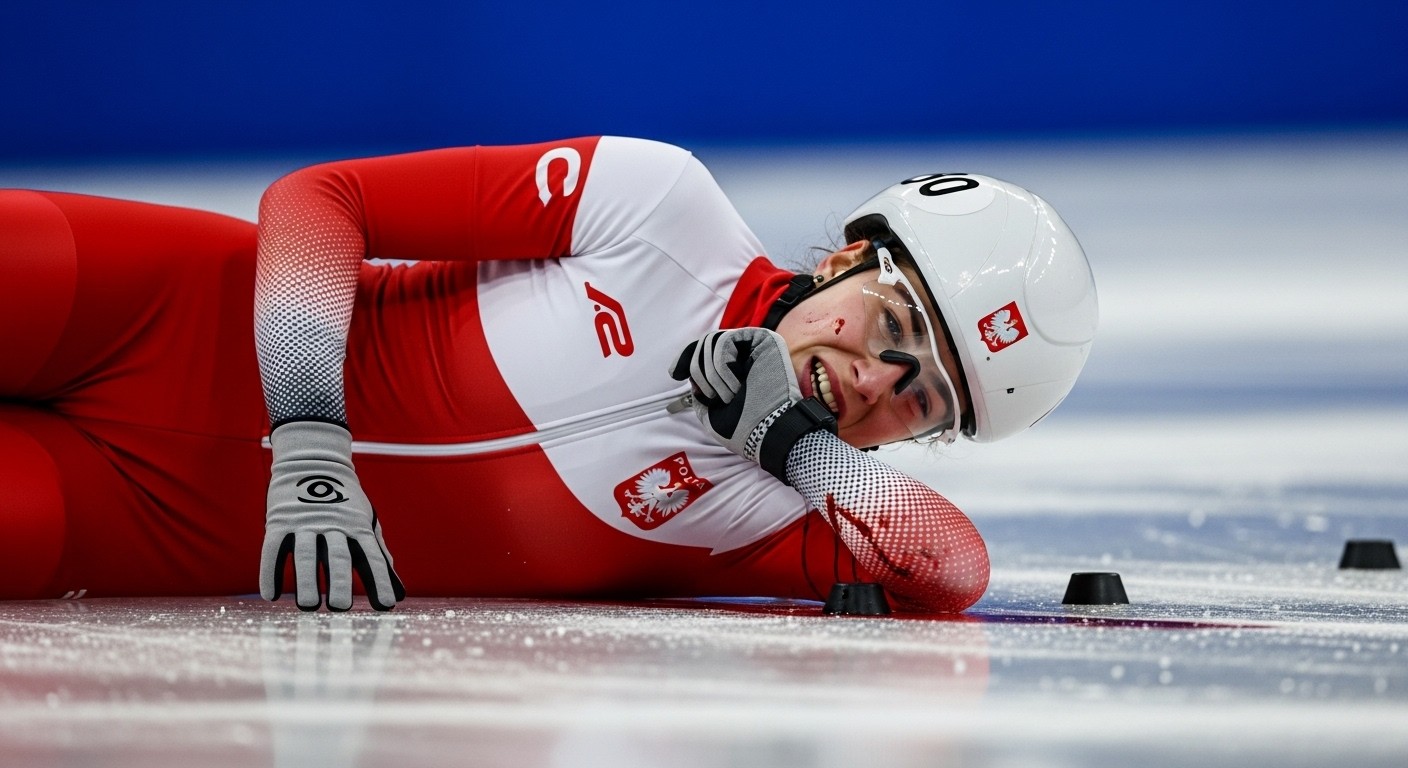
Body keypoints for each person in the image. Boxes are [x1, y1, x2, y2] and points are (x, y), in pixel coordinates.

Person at [0, 136, 1097, 613]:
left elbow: (950, 572)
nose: (872, 378)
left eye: (921, 400)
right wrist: (308, 431)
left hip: (141, 524)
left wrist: (793, 450)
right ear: (850, 256)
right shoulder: (660, 209)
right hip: (157, 312)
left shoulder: (766, 516)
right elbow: (318, 199)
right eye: (889, 322)